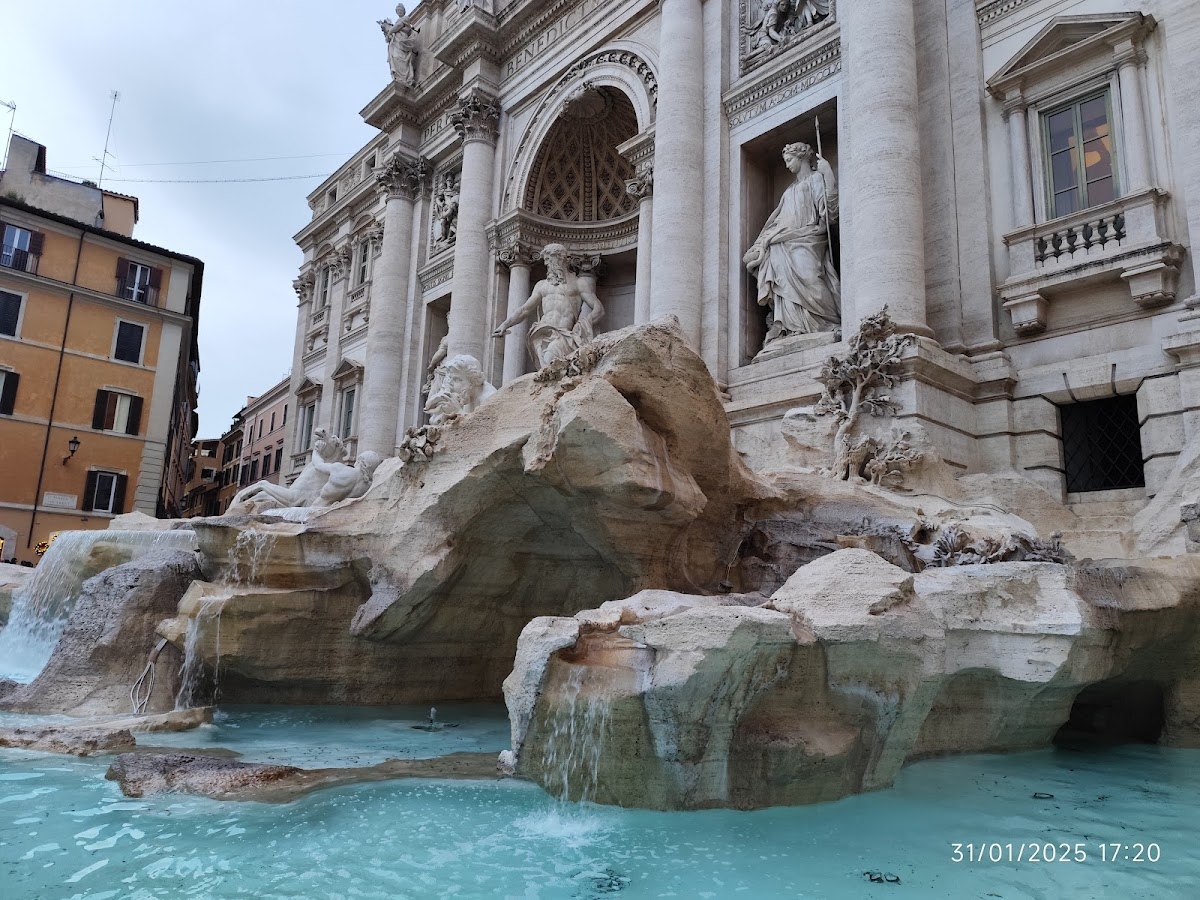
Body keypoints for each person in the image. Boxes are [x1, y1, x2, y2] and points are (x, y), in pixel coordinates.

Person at [743, 142, 840, 343]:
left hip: (809, 238)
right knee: (782, 284)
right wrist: (761, 243)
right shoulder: (789, 191)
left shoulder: (816, 179)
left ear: (801, 158)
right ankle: (790, 327)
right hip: (782, 242)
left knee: (811, 277)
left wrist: (828, 175)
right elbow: (777, 221)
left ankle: (826, 323)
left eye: (789, 160)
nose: (787, 166)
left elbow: (830, 212)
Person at [492, 244, 604, 368]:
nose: (546, 264)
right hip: (541, 334)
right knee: (548, 368)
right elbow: (525, 310)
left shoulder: (578, 283)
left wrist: (583, 325)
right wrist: (505, 324)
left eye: (549, 260)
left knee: (550, 360)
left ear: (560, 259)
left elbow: (598, 309)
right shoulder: (541, 285)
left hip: (564, 335)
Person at [379, 3, 419, 86]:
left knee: (400, 57)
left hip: (402, 41)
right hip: (396, 41)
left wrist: (390, 32)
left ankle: (406, 78)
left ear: (404, 11)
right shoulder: (398, 21)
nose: (399, 11)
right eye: (398, 10)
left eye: (400, 10)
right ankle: (399, 78)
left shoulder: (405, 18)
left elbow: (398, 26)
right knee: (395, 57)